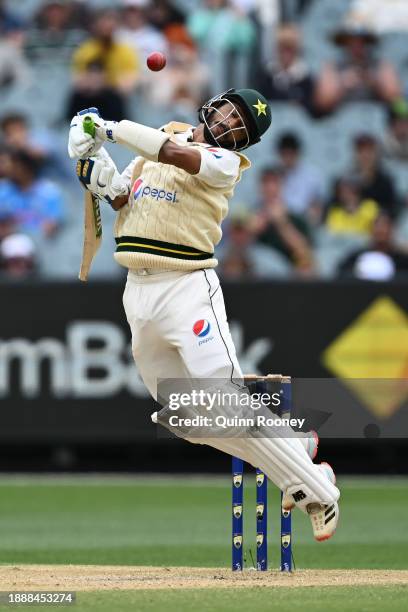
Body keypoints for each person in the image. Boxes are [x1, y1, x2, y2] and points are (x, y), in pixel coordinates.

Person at [68, 87, 340, 541]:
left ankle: (318, 492)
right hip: (138, 291)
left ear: (244, 142)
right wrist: (94, 167)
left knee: (226, 398)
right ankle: (296, 446)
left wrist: (107, 128)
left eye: (242, 127)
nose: (232, 123)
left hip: (187, 288)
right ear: (216, 102)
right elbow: (121, 197)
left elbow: (174, 154)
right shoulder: (162, 133)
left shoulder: (225, 164)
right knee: (186, 417)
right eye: (232, 112)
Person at [315, 24, 401, 113]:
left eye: (361, 41)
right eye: (351, 42)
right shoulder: (333, 66)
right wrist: (344, 84)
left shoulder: (380, 64)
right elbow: (322, 103)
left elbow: (396, 101)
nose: (356, 46)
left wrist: (373, 82)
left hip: (376, 117)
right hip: (342, 118)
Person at [251, 166, 314, 274]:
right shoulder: (251, 216)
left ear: (282, 186)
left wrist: (282, 222)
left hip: (289, 275)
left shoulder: (297, 218)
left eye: (274, 182)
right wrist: (252, 230)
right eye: (265, 182)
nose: (270, 188)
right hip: (257, 273)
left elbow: (305, 253)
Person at [72, 9, 140, 95]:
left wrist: (104, 82)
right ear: (95, 26)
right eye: (103, 24)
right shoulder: (85, 50)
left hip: (116, 101)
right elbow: (78, 81)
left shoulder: (126, 51)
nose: (106, 27)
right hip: (91, 99)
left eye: (110, 24)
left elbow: (129, 83)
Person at [0, 150, 64, 237]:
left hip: (45, 241)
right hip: (12, 240)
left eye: (14, 165)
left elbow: (54, 223)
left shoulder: (48, 191)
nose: (8, 169)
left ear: (25, 166)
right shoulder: (4, 189)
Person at [255, 24, 316, 115]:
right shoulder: (266, 76)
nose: (286, 54)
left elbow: (311, 109)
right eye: (282, 48)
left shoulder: (305, 79)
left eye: (290, 48)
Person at [338, 212, 408, 279]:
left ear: (392, 230)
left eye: (385, 226)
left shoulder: (401, 261)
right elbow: (342, 275)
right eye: (377, 225)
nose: (380, 230)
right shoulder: (357, 258)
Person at [276, 132, 325, 223]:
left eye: (290, 153)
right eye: (284, 154)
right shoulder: (274, 175)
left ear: (297, 153)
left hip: (305, 221)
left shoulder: (313, 175)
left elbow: (319, 205)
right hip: (281, 220)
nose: (287, 157)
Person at [352, 133, 399, 218]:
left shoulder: (385, 183)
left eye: (369, 151)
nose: (365, 156)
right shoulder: (346, 181)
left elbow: (392, 209)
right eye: (361, 151)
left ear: (377, 154)